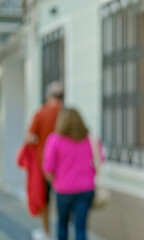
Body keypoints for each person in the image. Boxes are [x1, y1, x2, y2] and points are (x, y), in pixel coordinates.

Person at [42, 107, 104, 240]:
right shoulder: (90, 139)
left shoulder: (54, 140)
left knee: (62, 224)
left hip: (63, 189)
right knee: (80, 227)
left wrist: (55, 183)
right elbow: (100, 160)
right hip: (86, 188)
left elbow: (48, 168)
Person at [25, 81, 64, 240]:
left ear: (48, 96)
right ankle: (62, 233)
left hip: (45, 165)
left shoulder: (41, 113)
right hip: (64, 165)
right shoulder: (66, 114)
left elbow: (29, 137)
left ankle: (47, 233)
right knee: (62, 201)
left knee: (45, 201)